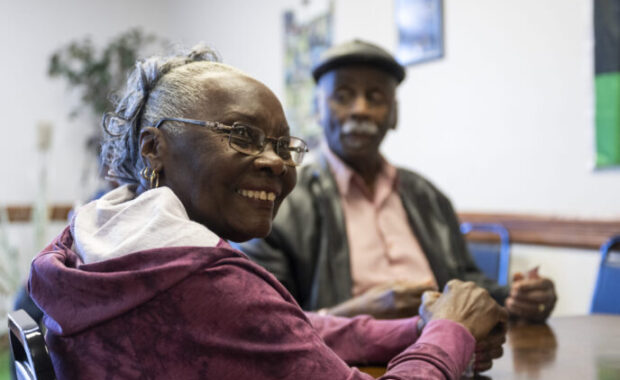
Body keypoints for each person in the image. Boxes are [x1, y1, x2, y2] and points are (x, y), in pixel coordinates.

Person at [28, 46, 508, 379]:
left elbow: (281, 329)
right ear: (154, 148)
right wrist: (451, 331)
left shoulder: (95, 241)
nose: (276, 162)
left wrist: (416, 328)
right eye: (242, 136)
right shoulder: (205, 281)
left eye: (284, 145)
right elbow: (258, 318)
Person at [239, 41, 556, 323]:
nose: (360, 109)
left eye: (375, 98)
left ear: (394, 114)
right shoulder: (279, 202)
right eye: (343, 96)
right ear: (317, 110)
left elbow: (467, 281)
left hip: (451, 350)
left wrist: (516, 298)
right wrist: (356, 313)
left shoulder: (427, 195)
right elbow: (267, 323)